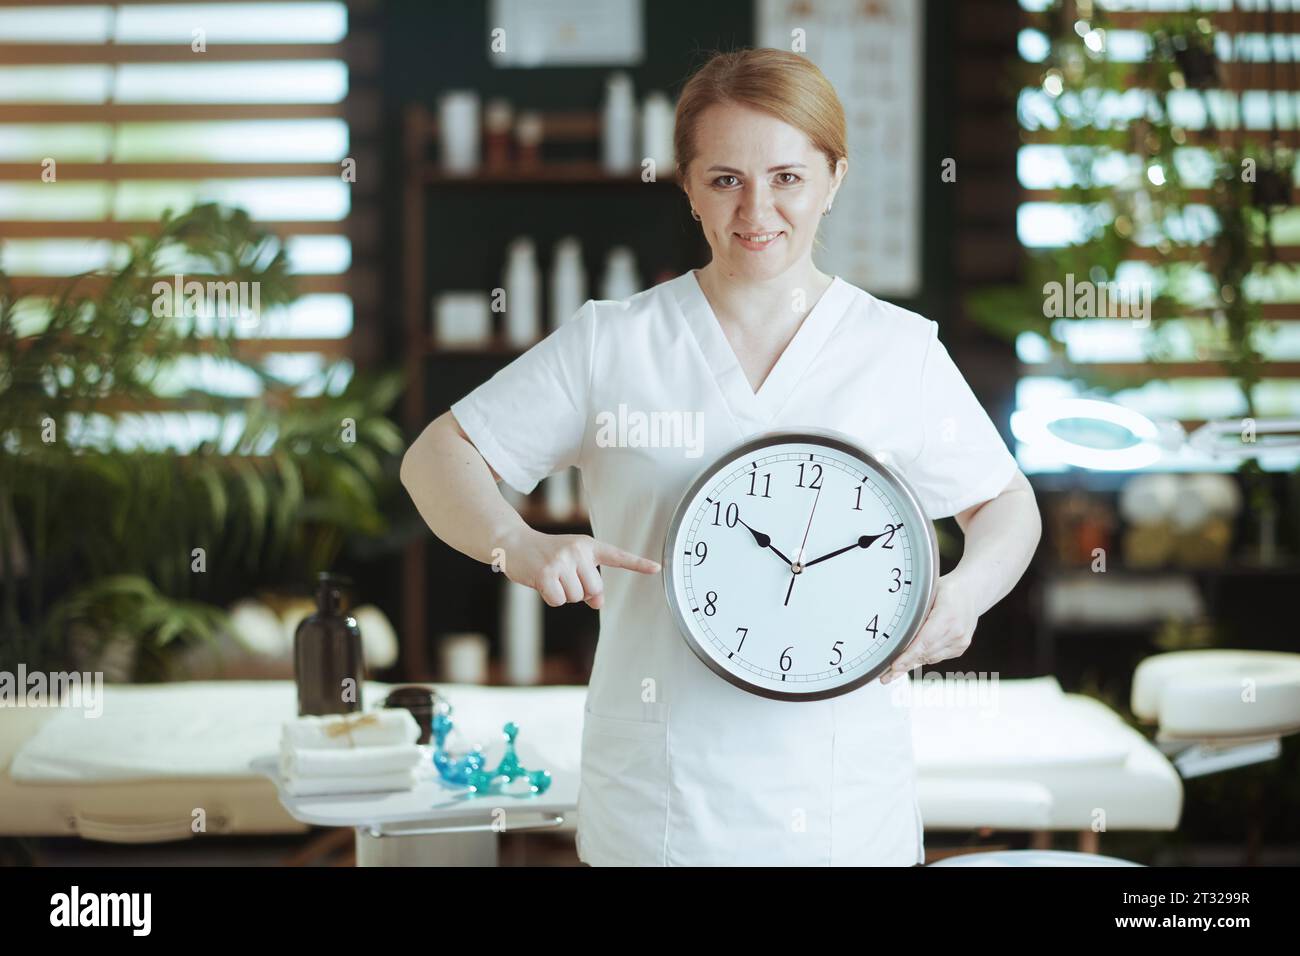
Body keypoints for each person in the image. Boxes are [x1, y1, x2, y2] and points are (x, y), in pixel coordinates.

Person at [401, 47, 1042, 866]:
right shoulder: (614, 341)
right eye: (725, 179)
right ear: (689, 186)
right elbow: (436, 456)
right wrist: (520, 545)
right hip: (662, 808)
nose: (756, 211)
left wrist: (964, 595)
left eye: (786, 177)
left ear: (833, 180)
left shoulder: (897, 351)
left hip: (844, 812)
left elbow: (1005, 504)